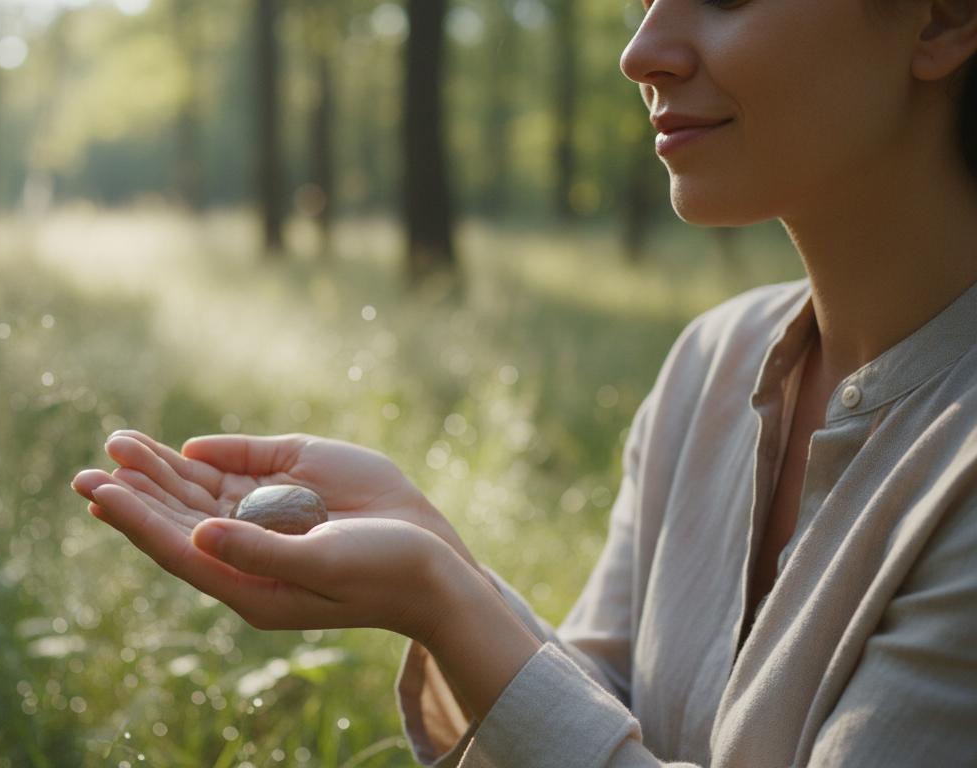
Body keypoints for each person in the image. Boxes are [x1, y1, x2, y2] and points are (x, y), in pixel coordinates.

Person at [71, 0, 977, 762]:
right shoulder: (712, 363)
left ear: (939, 19)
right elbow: (598, 711)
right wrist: (444, 567)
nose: (640, 52)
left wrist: (442, 600)